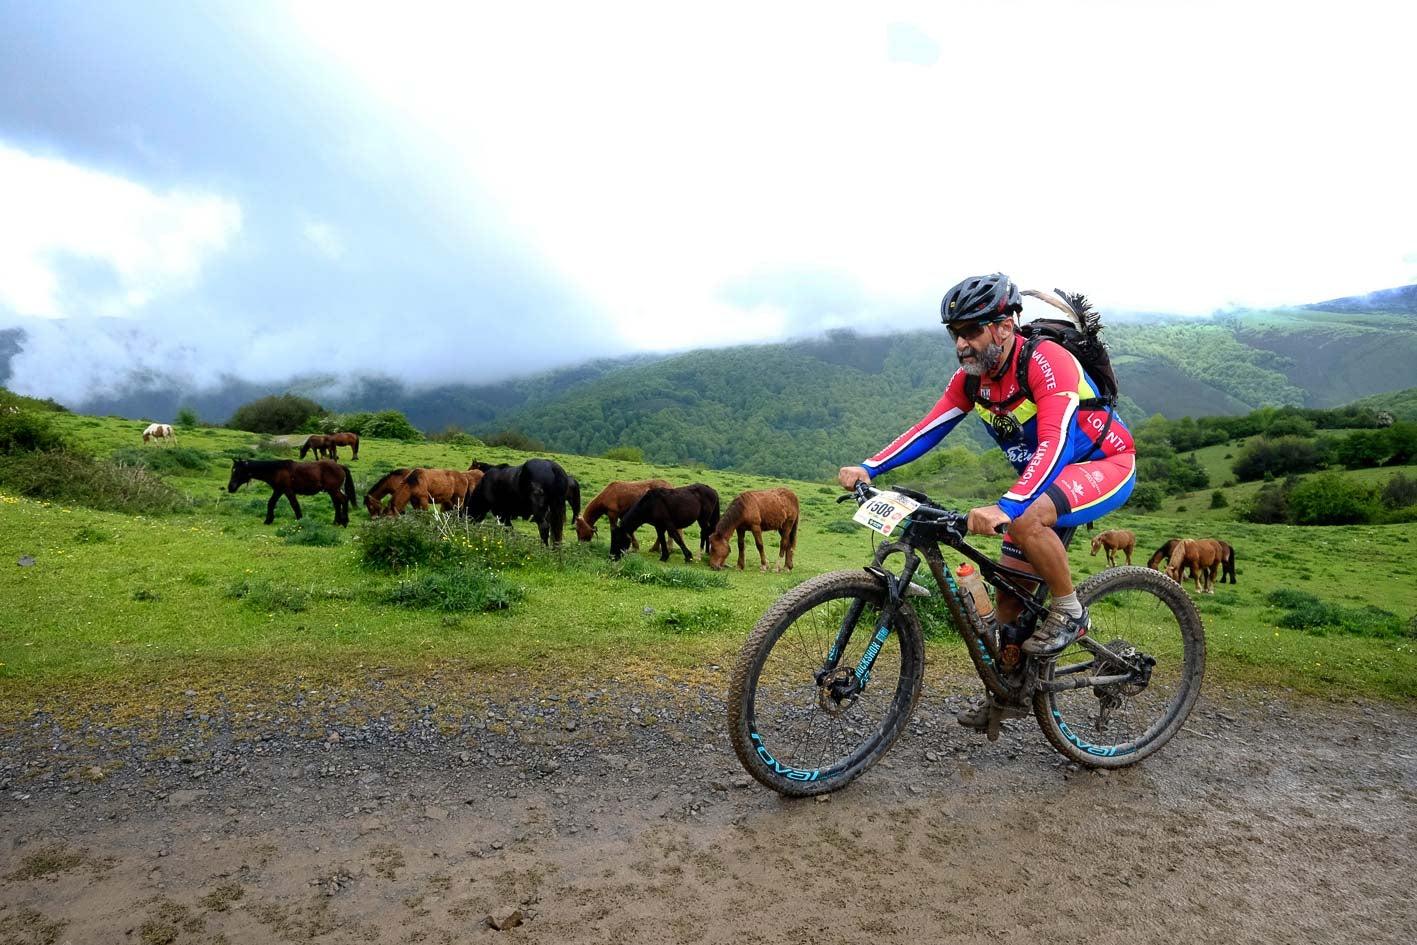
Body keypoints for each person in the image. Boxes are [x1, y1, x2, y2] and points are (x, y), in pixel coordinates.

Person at [836, 272, 1137, 731]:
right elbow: (929, 427)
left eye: (972, 331)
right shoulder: (972, 381)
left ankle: (1071, 613)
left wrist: (1008, 506)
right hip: (1046, 475)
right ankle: (1007, 695)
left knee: (1024, 521)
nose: (962, 345)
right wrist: (870, 467)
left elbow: (1054, 441)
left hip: (1105, 463)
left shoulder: (1047, 362)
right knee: (1007, 607)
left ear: (1004, 326)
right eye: (956, 334)